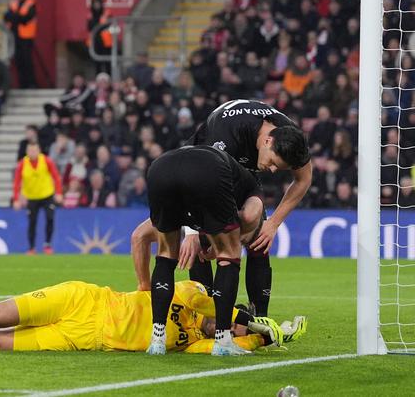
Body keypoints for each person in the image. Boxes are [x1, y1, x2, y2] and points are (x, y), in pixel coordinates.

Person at [132, 99, 311, 319]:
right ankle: (207, 316)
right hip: (199, 170)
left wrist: (273, 223)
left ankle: (260, 317)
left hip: (242, 176)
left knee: (259, 240)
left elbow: (303, 180)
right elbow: (198, 183)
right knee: (201, 242)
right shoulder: (226, 131)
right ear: (266, 141)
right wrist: (193, 231)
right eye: (273, 163)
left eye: (279, 168)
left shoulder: (290, 138)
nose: (273, 171)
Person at [0, 279, 306, 353]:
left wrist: (265, 337)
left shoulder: (198, 344)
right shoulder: (194, 297)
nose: (221, 326)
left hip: (84, 339)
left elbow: (238, 345)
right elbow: (212, 297)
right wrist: (247, 317)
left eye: (227, 328)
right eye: (225, 320)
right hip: (85, 300)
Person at [144, 145, 268, 356]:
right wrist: (233, 241)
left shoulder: (228, 174)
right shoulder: (252, 189)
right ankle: (223, 342)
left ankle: (157, 341)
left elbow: (139, 236)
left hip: (159, 168)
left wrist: (203, 238)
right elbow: (248, 217)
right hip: (206, 169)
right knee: (229, 257)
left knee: (165, 255)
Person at [12, 141, 63, 255]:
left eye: (34, 150)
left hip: (47, 195)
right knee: (32, 222)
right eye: (30, 150)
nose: (32, 153)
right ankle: (31, 248)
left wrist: (59, 192)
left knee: (50, 218)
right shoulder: (22, 164)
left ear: (39, 150)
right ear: (26, 151)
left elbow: (56, 177)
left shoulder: (46, 161)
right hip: (32, 197)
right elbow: (16, 182)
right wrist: (16, 199)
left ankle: (48, 245)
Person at [4, 0, 37, 88]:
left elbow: (26, 18)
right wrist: (18, 17)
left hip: (26, 37)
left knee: (27, 61)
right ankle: (22, 84)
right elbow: (6, 16)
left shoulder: (32, 3)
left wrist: (15, 17)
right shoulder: (13, 2)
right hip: (15, 36)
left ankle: (31, 83)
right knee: (18, 61)